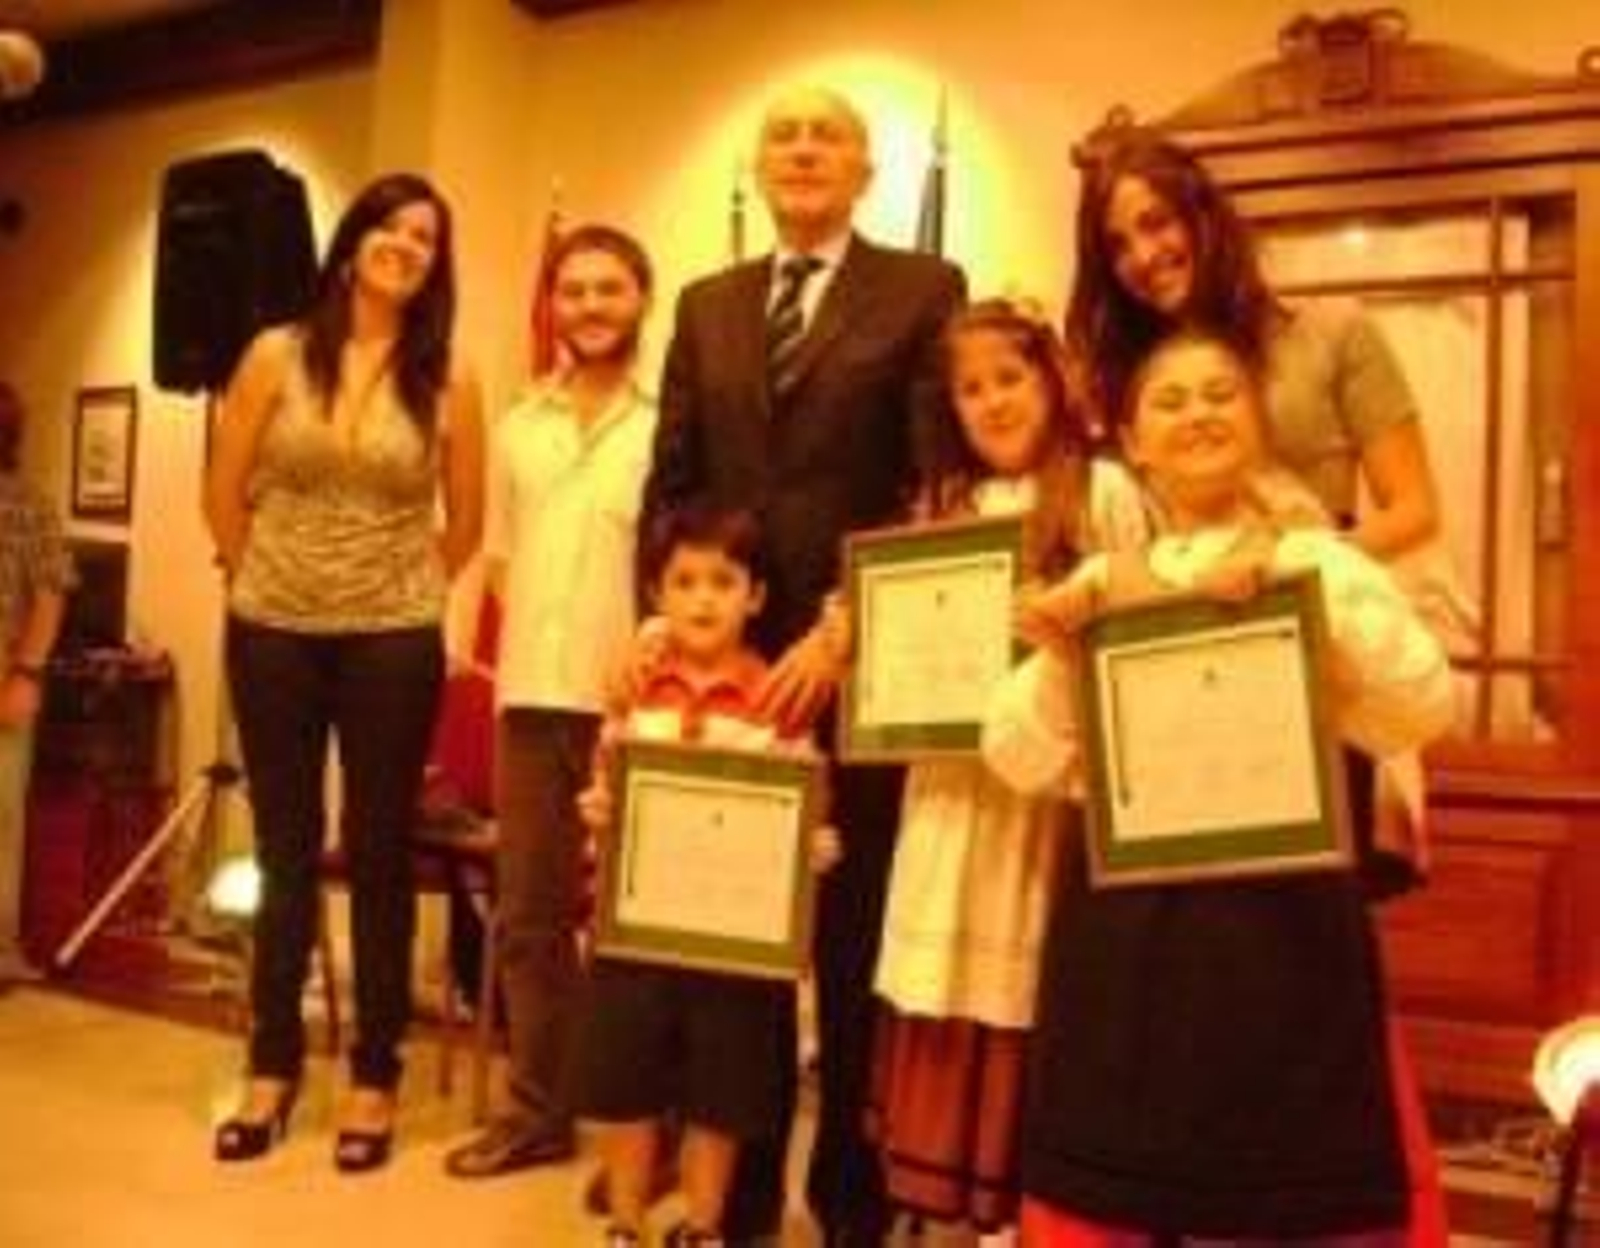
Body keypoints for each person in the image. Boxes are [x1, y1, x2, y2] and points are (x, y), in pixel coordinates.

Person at [987, 330, 1457, 1246]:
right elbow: (1018, 758)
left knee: (1287, 1199)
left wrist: (1314, 622)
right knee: (1117, 1194)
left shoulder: (1323, 566)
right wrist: (1059, 662)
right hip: (1129, 932)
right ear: (1132, 439)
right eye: (1170, 401)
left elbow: (1422, 708)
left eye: (1220, 395)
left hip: (1285, 926)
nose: (1198, 414)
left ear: (1257, 420)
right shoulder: (1096, 584)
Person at [640, 84, 966, 1246]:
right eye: (783, 133)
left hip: (855, 671)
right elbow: (671, 482)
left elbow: (933, 488)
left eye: (827, 134)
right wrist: (661, 618)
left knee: (848, 936)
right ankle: (738, 1193)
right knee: (735, 946)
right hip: (720, 678)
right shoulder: (705, 303)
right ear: (760, 164)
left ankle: (848, 1200)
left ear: (865, 170)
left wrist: (846, 626)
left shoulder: (923, 291)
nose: (804, 149)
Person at [203, 172, 485, 1172]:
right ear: (354, 238)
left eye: (425, 237)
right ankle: (270, 1065)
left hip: (391, 640)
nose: (405, 245)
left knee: (374, 851)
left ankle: (374, 1073)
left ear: (434, 265)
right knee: (284, 849)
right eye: (390, 226)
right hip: (272, 629)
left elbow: (467, 525)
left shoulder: (449, 376)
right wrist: (265, 581)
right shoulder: (274, 353)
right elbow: (223, 491)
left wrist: (391, 593)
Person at [859, 300, 1142, 1233]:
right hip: (949, 794)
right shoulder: (942, 505)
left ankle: (1021, 1209)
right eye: (970, 389)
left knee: (1024, 978)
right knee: (945, 978)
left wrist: (1064, 625)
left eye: (1008, 378)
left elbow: (1140, 626)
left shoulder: (1100, 491)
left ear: (1052, 379)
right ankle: (935, 1207)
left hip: (1043, 798)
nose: (992, 402)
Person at [444, 223, 658, 1179]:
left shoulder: (668, 420)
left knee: (640, 924)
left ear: (642, 299)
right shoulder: (518, 428)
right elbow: (495, 562)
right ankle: (540, 1113)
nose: (590, 307)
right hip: (530, 698)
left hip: (641, 705)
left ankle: (639, 1130)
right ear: (553, 306)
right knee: (529, 918)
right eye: (573, 291)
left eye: (609, 289)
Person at [573, 504, 836, 1248]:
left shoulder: (776, 704)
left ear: (754, 596)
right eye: (683, 581)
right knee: (626, 1085)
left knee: (721, 1090)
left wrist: (810, 848)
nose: (702, 598)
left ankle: (702, 1224)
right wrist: (598, 809)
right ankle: (625, 1220)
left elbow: (805, 804)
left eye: (723, 581)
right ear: (657, 595)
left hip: (733, 951)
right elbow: (606, 785)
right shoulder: (633, 693)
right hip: (634, 937)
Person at [1067, 126, 1439, 561]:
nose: (1145, 255)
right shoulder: (1123, 379)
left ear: (1203, 216)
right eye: (1118, 246)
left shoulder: (1334, 330)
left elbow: (1416, 510)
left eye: (1157, 223)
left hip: (1323, 600)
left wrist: (1295, 576)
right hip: (1189, 610)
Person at [0, 381, 72, 988]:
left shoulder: (28, 505)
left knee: (1, 819)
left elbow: (49, 597)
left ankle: (0, 947)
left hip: (4, 682)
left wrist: (26, 673)